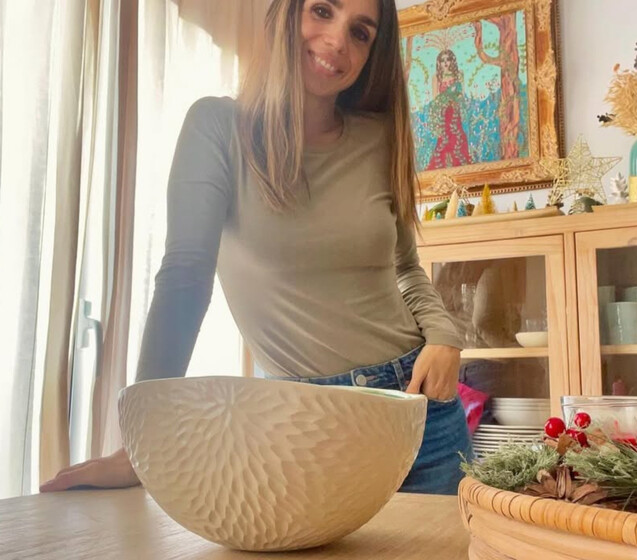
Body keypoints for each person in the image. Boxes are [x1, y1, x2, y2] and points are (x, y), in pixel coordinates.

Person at [41, 0, 471, 496]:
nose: (337, 40)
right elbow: (184, 278)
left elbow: (406, 268)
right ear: (286, 13)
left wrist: (445, 338)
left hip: (422, 410)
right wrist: (142, 438)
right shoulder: (216, 127)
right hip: (305, 424)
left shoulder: (379, 138)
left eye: (361, 33)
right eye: (322, 11)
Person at [425, 49, 472, 170]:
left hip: (455, 112)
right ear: (439, 63)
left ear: (452, 61)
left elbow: (461, 95)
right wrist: (445, 101)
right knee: (444, 138)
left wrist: (455, 100)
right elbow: (435, 99)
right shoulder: (436, 78)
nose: (445, 63)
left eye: (448, 59)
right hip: (443, 114)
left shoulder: (459, 75)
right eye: (443, 60)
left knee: (458, 136)